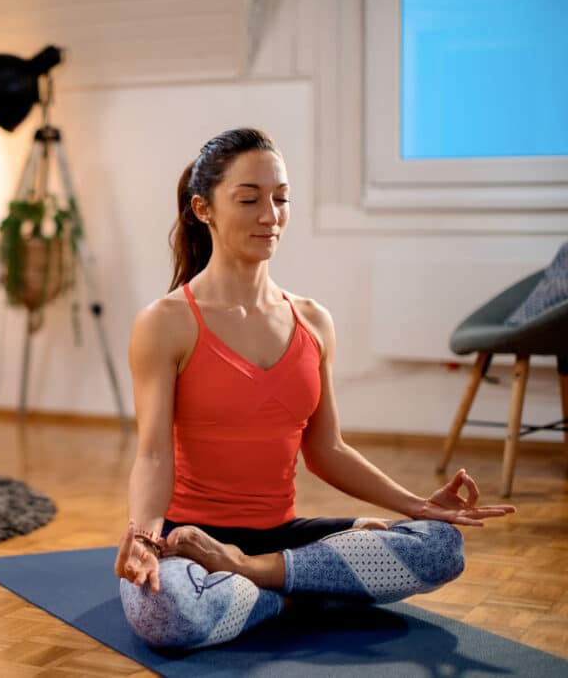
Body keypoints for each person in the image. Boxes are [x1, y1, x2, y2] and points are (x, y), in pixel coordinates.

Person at [114, 127, 516, 649]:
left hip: (281, 543)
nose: (271, 216)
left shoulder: (312, 320)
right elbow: (151, 456)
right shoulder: (165, 322)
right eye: (250, 199)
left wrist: (418, 506)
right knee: (171, 617)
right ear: (202, 208)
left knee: (441, 546)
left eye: (281, 199)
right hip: (189, 541)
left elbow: (327, 449)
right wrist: (145, 536)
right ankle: (305, 591)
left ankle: (254, 576)